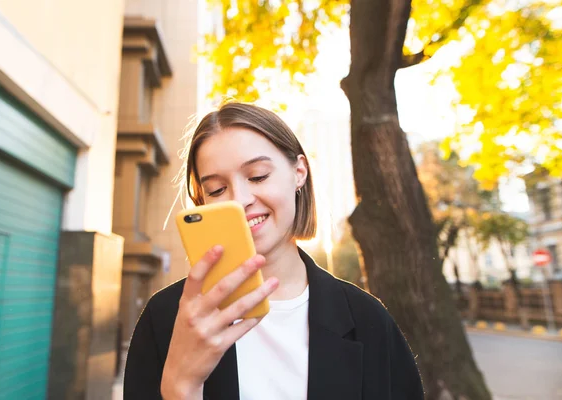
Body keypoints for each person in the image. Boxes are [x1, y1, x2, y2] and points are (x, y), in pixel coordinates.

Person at [123, 102, 424, 400]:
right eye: (216, 190)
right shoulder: (165, 318)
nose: (239, 199)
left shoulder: (367, 319)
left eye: (258, 176)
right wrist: (182, 387)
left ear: (299, 172)